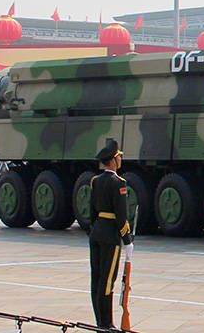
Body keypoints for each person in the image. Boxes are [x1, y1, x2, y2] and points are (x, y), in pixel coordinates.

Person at [88, 138, 134, 329]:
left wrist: (94, 229)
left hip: (97, 232)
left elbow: (91, 212)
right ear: (113, 160)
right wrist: (127, 239)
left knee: (96, 280)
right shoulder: (119, 183)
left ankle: (100, 321)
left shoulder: (95, 181)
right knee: (108, 282)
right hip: (110, 235)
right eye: (119, 157)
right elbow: (121, 217)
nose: (120, 160)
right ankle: (107, 324)